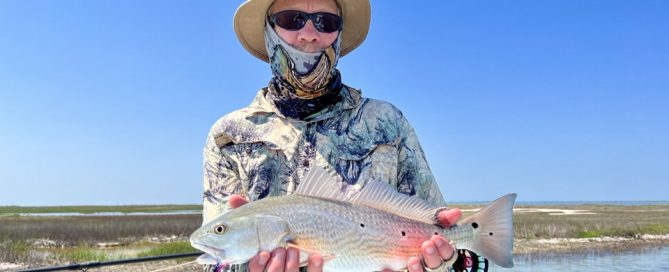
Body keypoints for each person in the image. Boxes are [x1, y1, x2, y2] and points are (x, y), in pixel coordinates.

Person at [202, 0, 464, 271]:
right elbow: (216, 265)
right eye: (291, 19)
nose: (309, 34)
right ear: (268, 29)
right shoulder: (228, 136)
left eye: (326, 22)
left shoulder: (387, 121)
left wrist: (445, 262)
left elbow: (442, 237)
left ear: (338, 33)